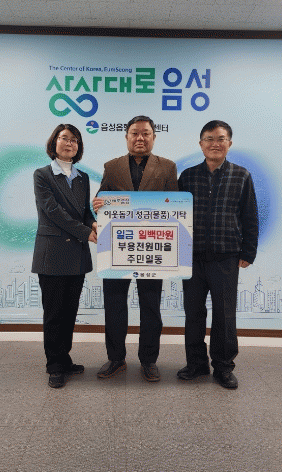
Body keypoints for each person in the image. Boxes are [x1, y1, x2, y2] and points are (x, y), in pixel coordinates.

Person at [92, 115, 178, 382]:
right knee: (114, 305)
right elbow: (102, 201)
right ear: (127, 137)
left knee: (151, 307)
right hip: (118, 250)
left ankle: (149, 361)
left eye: (145, 133)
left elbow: (176, 207)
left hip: (152, 251)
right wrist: (97, 205)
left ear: (154, 137)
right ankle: (115, 358)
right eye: (134, 133)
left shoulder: (167, 167)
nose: (140, 138)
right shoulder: (112, 166)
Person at [177, 120, 258, 389]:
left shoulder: (241, 175)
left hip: (226, 256)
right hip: (192, 256)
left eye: (221, 139)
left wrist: (248, 251)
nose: (215, 143)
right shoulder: (187, 176)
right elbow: (173, 215)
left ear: (229, 144)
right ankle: (196, 364)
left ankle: (223, 367)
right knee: (194, 314)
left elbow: (250, 216)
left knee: (225, 315)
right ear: (201, 144)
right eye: (209, 139)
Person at [32, 124, 97, 389]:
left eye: (74, 140)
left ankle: (65, 358)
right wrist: (85, 232)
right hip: (53, 253)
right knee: (54, 313)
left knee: (69, 312)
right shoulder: (42, 175)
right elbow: (52, 211)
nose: (69, 143)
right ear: (54, 143)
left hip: (76, 255)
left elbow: (84, 211)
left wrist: (93, 223)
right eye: (64, 138)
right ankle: (55, 365)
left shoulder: (82, 178)